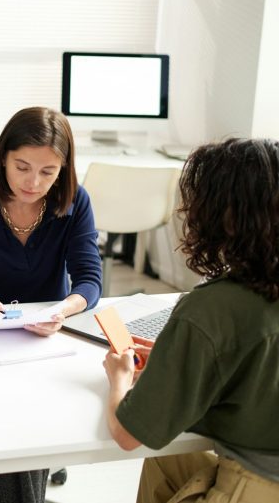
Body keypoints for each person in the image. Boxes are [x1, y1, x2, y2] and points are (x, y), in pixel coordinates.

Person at [103, 138, 279, 503]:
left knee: (148, 444)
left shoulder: (211, 309)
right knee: (168, 461)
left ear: (221, 216)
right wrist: (175, 363)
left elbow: (126, 434)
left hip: (254, 488)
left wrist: (119, 378)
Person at [0, 106, 103, 503]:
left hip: (46, 342)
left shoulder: (74, 203)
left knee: (21, 431)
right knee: (17, 430)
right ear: (2, 159)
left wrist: (61, 310)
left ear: (63, 171)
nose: (33, 182)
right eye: (22, 167)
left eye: (48, 172)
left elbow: (89, 278)